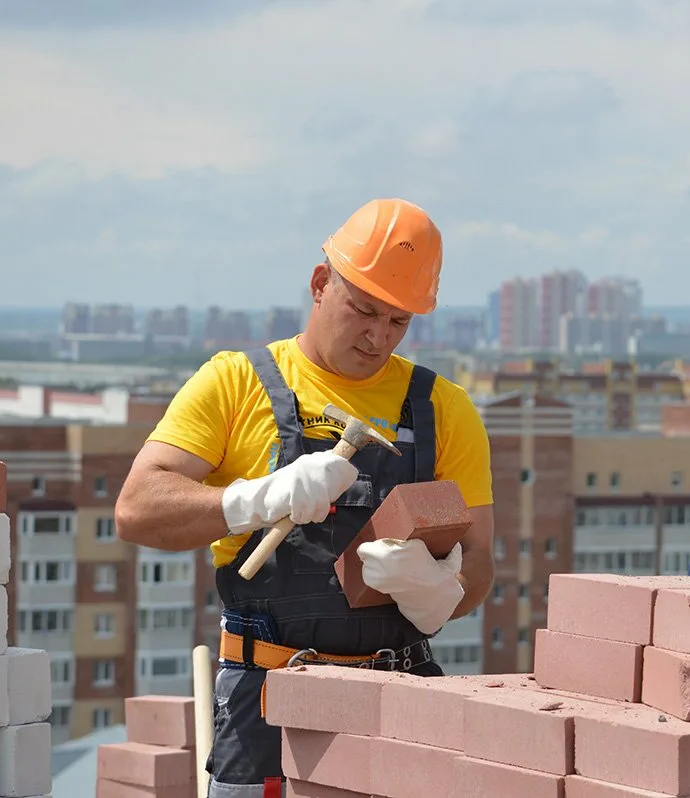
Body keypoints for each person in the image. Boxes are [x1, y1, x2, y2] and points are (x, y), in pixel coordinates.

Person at [115, 198, 495, 796]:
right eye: (364, 310)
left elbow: (480, 562)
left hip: (397, 694)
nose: (378, 337)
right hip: (265, 700)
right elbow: (137, 509)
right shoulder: (236, 383)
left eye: (398, 322)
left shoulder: (443, 409)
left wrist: (440, 592)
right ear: (321, 284)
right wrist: (251, 500)